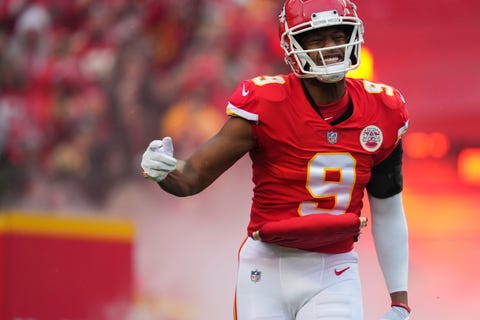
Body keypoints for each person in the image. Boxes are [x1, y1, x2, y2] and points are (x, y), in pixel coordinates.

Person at [140, 0, 411, 319]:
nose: (331, 47)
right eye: (316, 39)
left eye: (338, 35)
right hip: (267, 268)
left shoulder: (383, 110)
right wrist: (164, 171)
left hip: (335, 269)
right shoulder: (267, 104)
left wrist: (399, 301)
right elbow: (193, 177)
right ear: (293, 45)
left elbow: (388, 209)